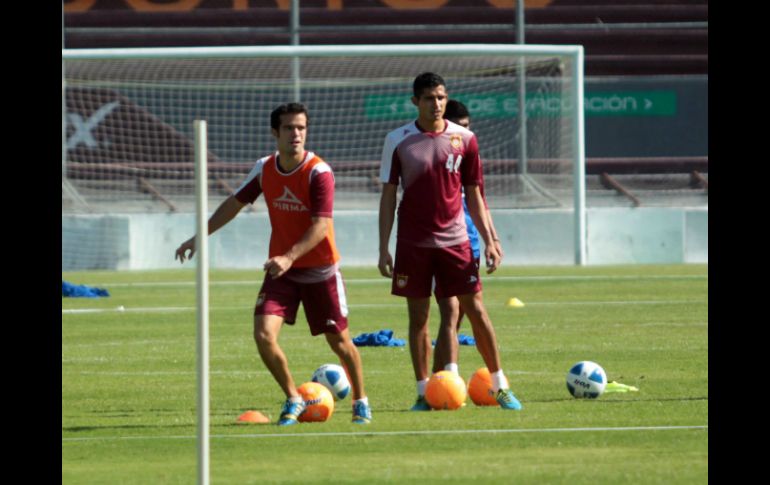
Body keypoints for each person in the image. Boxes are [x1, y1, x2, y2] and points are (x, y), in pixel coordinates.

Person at [175, 103, 372, 425]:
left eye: (301, 128)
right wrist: (199, 236)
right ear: (274, 133)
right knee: (264, 335)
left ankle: (361, 400)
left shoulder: (319, 172)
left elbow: (321, 225)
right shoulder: (264, 168)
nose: (296, 134)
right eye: (289, 128)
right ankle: (294, 398)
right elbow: (233, 204)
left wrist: (288, 256)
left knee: (340, 342)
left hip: (320, 271)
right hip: (282, 272)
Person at [377, 73, 522, 411]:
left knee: (476, 310)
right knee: (418, 319)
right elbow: (388, 195)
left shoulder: (465, 139)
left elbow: (474, 193)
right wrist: (383, 245)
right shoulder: (397, 140)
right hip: (413, 242)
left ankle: (500, 386)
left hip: (456, 241)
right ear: (415, 102)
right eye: (429, 98)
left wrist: (490, 239)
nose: (437, 104)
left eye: (441, 97)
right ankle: (423, 393)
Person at [431, 100, 505, 376]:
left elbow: (480, 200)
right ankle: (447, 379)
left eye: (468, 127)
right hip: (442, 242)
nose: (466, 134)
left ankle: (439, 382)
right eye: (460, 128)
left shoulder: (469, 156)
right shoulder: (436, 159)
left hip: (469, 243)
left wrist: (492, 240)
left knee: (464, 313)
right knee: (450, 311)